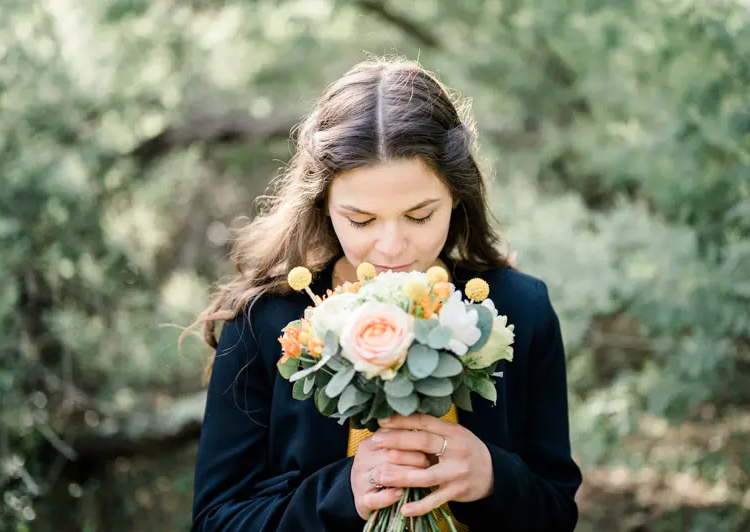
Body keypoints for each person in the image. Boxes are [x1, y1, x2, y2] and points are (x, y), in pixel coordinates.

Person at [188, 57, 582, 531]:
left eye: (419, 216)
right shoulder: (264, 322)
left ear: (457, 195)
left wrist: (495, 477)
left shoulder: (520, 310)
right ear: (324, 204)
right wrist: (340, 493)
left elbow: (557, 512)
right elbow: (215, 520)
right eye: (361, 220)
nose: (392, 248)